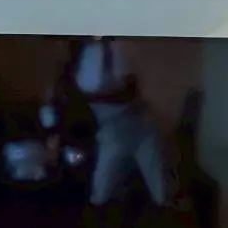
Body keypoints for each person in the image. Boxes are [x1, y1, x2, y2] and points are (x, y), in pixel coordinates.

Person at [69, 38, 167, 206]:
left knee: (160, 192)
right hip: (107, 129)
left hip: (132, 124)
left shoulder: (118, 48)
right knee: (101, 193)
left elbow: (129, 92)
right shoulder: (80, 53)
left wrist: (91, 98)